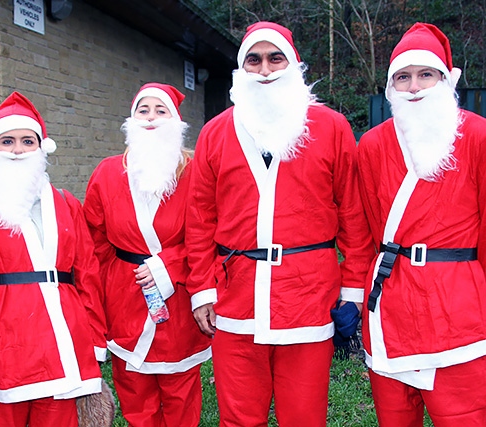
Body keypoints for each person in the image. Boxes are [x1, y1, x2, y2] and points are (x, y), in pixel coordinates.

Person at [185, 22, 375, 427]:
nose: (265, 69)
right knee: (239, 417)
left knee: (303, 417)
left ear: (293, 65)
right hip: (235, 297)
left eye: (276, 58)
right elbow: (199, 217)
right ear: (241, 69)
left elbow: (353, 216)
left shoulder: (331, 127)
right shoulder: (216, 133)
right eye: (254, 59)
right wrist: (201, 289)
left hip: (308, 296)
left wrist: (353, 287)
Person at [0, 92, 108, 427]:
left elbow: (87, 277)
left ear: (41, 147)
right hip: (3, 346)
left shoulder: (66, 203)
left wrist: (94, 341)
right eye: (7, 141)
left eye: (26, 141)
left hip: (63, 343)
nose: (17, 150)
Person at [357, 22, 486, 426]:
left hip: (457, 306)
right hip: (390, 302)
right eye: (403, 77)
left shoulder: (478, 136)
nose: (414, 86)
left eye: (425, 74)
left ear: (446, 80)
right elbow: (366, 230)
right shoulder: (373, 144)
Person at [83, 83, 212, 427]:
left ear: (176, 121)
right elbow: (93, 245)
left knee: (180, 395)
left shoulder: (196, 171)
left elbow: (209, 233)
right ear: (131, 119)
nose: (151, 118)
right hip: (124, 298)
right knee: (135, 396)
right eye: (144, 110)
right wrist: (102, 300)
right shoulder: (107, 173)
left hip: (180, 301)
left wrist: (168, 266)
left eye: (161, 110)